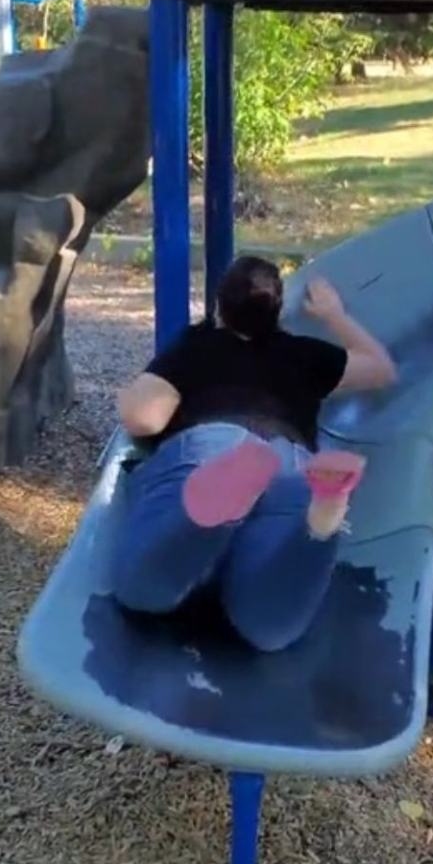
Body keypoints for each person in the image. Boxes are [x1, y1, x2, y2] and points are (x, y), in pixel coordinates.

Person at [109, 256, 399, 652]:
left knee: (143, 591)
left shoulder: (196, 346)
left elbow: (144, 419)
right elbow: (381, 369)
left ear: (218, 307)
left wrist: (129, 394)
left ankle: (212, 512)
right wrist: (334, 315)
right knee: (269, 627)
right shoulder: (303, 354)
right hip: (290, 464)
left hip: (211, 445)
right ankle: (321, 523)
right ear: (278, 312)